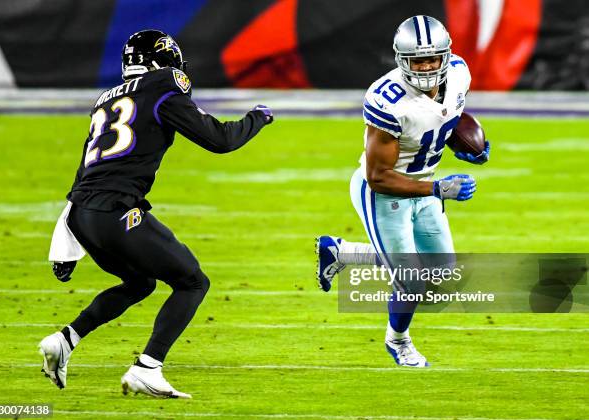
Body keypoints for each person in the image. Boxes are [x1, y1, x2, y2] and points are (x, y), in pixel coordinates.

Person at [39, 29, 273, 398]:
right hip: (116, 211)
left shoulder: (104, 100)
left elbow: (83, 174)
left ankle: (65, 340)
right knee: (192, 281)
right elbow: (220, 140)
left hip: (81, 215)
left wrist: (64, 241)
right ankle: (148, 367)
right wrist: (257, 118)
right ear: (163, 62)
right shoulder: (163, 84)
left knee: (141, 282)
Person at [316, 16, 489, 367]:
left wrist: (466, 145)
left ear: (446, 56)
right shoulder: (388, 99)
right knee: (411, 280)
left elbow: (446, 115)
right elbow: (378, 175)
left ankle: (341, 252)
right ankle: (399, 341)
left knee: (440, 271)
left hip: (423, 185)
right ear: (401, 60)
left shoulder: (458, 73)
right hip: (383, 194)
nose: (426, 67)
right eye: (418, 60)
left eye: (432, 59)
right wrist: (438, 188)